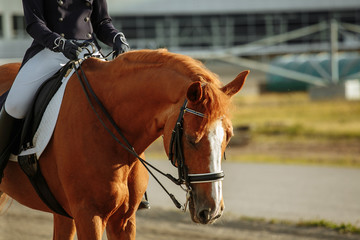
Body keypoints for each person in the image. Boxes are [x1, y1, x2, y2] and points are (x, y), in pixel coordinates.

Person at [0, 0, 130, 181]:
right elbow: (35, 24)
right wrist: (61, 44)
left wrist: (117, 37)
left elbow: (101, 23)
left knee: (121, 99)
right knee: (15, 105)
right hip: (50, 51)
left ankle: (133, 177)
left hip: (89, 51)